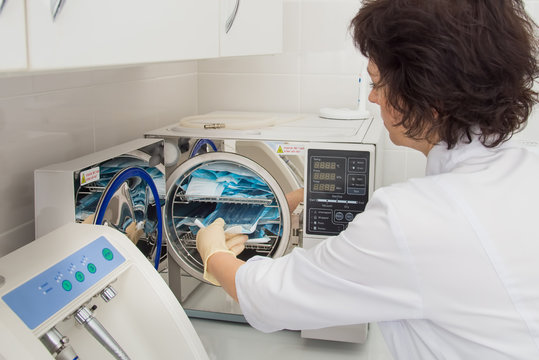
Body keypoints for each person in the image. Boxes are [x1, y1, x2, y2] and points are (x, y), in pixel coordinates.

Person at [196, 0, 539, 358]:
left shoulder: (412, 220)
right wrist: (297, 199)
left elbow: (269, 296)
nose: (373, 97)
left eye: (378, 83)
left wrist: (213, 252)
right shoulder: (527, 166)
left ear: (427, 95)